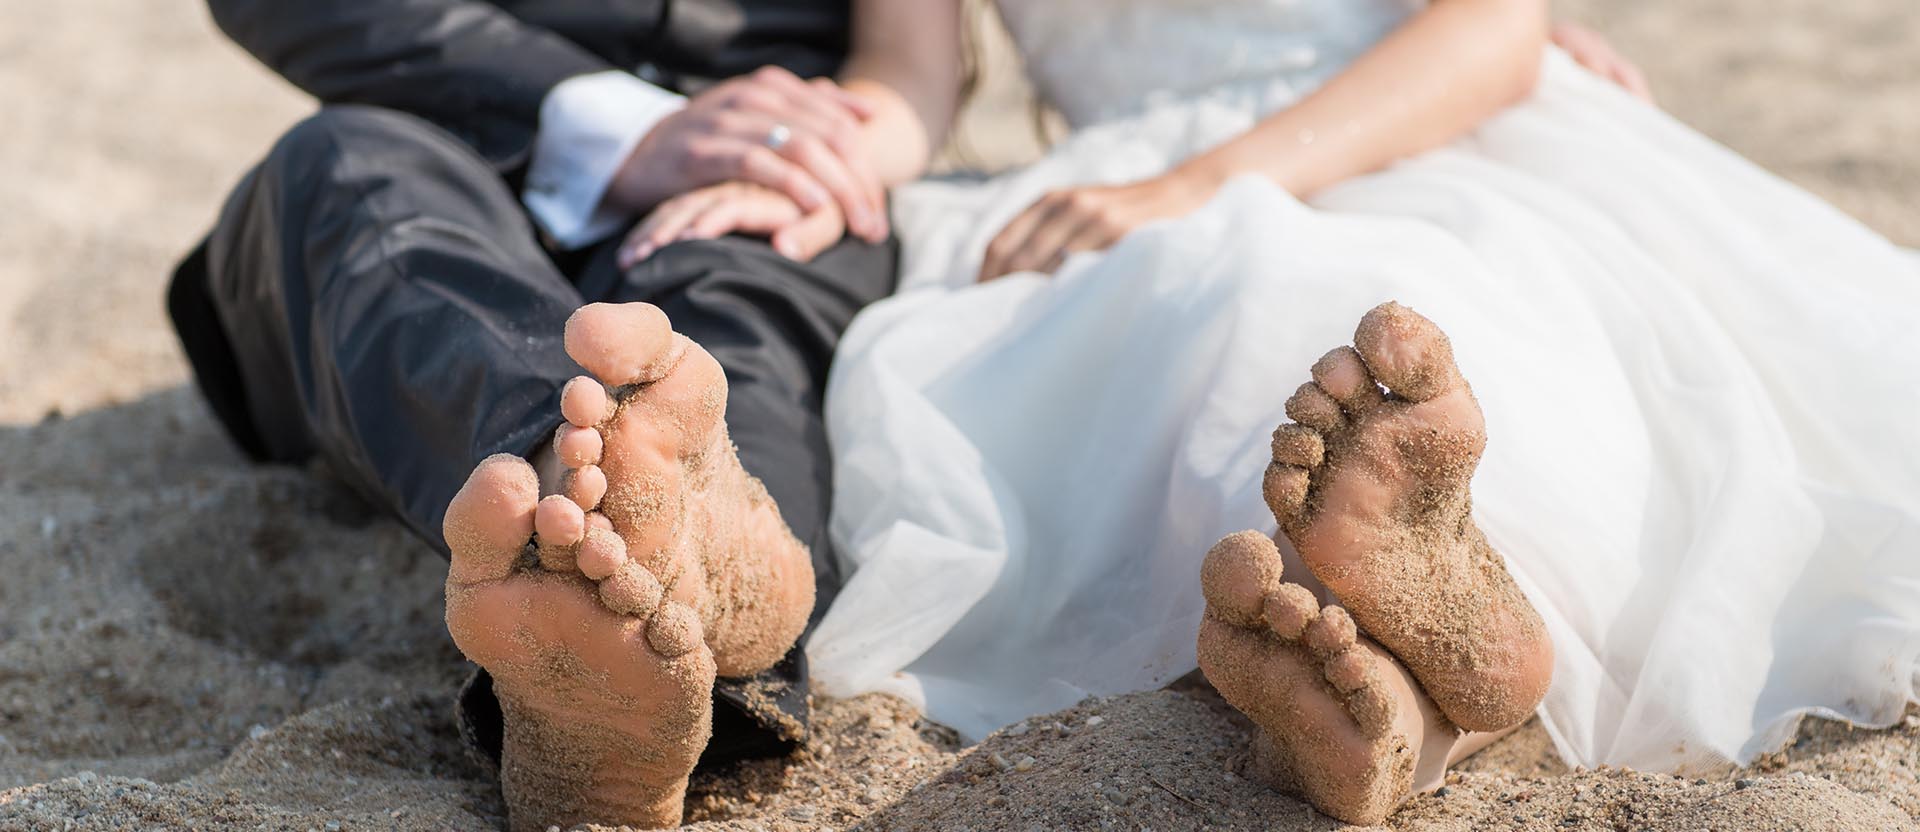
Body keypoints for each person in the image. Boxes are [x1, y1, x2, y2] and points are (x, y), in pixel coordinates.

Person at [719, 0, 1912, 826]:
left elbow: (1490, 26)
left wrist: (1192, 189)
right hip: (1129, 173)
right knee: (1221, 353)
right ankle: (1396, 702)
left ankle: (1438, 622)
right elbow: (908, 83)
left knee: (1395, 323)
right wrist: (802, 150)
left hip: (1406, 114)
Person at [167, 0, 963, 828]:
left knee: (748, 307)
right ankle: (578, 490)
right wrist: (627, 126)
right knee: (355, 177)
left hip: (762, 153)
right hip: (443, 131)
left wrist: (809, 155)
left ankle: (675, 576)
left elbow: (906, 67)